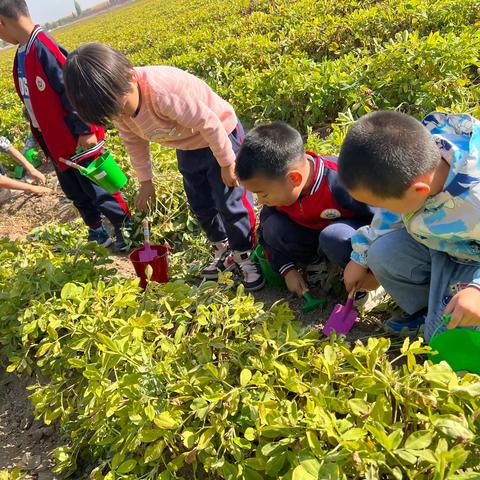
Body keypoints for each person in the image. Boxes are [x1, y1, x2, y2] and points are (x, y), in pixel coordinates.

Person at [62, 42, 263, 291]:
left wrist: (226, 163)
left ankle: (245, 254)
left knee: (229, 202)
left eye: (121, 107)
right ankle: (223, 249)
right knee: (200, 204)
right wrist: (146, 182)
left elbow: (210, 124)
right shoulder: (118, 107)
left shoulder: (163, 93)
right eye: (113, 113)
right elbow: (133, 141)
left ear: (130, 76)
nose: (121, 116)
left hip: (221, 134)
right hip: (187, 144)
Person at [338, 110, 480, 339]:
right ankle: (423, 309)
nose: (382, 209)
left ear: (418, 191)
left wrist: (477, 291)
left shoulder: (474, 202)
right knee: (382, 253)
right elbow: (388, 215)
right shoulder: (418, 158)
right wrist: (360, 256)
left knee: (445, 336)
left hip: (473, 259)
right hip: (444, 242)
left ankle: (444, 306)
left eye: (382, 203)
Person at [0, 0, 130, 250]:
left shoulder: (43, 47)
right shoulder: (22, 53)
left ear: (2, 23)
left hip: (77, 140)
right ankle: (98, 232)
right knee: (76, 191)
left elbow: (72, 90)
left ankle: (126, 228)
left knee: (99, 187)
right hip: (56, 143)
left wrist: (84, 129)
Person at [235, 121, 382, 305]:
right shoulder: (280, 191)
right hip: (313, 238)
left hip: (352, 239)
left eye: (263, 194)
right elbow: (267, 233)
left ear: (294, 178)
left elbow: (383, 220)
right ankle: (322, 266)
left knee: (334, 236)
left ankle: (370, 282)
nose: (260, 201)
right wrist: (287, 270)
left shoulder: (343, 181)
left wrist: (362, 261)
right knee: (272, 226)